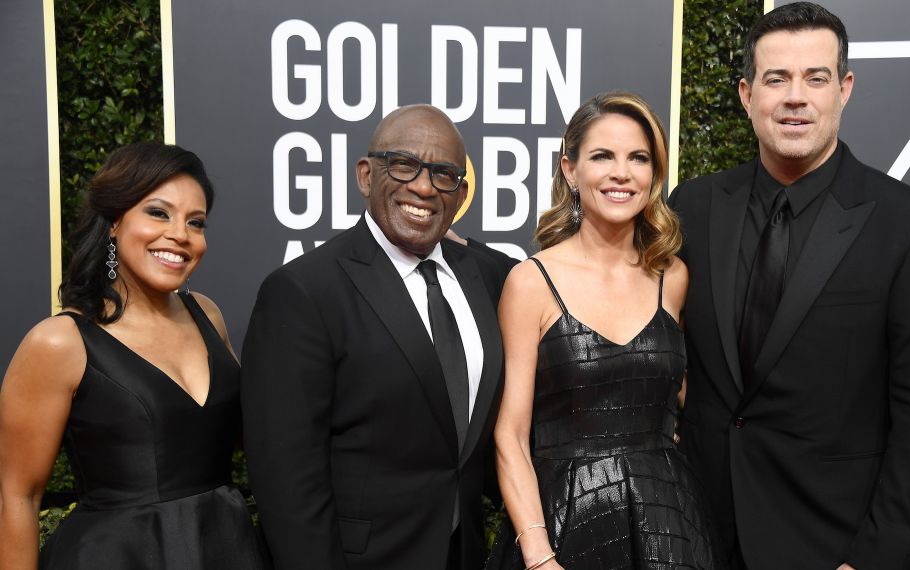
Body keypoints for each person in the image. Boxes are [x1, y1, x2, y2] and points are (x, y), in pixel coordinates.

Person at [667, 3, 910, 569]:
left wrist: (872, 561)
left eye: (816, 78)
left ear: (844, 89)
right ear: (747, 95)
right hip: (698, 540)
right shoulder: (695, 207)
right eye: (776, 78)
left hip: (830, 547)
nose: (795, 97)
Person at [241, 104, 513, 570]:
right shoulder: (303, 290)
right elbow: (286, 481)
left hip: (464, 554)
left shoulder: (491, 277)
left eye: (444, 174)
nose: (424, 187)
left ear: (461, 193)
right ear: (366, 175)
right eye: (404, 165)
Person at [486, 91, 724, 570]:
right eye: (602, 156)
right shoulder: (531, 282)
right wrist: (537, 554)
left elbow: (689, 398)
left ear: (653, 175)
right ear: (570, 170)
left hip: (669, 524)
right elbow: (510, 435)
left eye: (638, 158)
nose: (622, 173)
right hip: (565, 524)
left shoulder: (672, 276)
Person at [0, 142, 266, 569]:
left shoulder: (207, 314)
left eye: (195, 222)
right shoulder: (60, 342)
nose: (180, 234)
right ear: (113, 221)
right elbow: (18, 496)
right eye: (158, 213)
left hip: (224, 549)